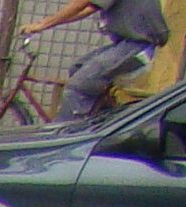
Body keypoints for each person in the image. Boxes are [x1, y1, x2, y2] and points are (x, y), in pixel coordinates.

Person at [24, 0, 175, 119]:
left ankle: (66, 138)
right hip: (127, 44)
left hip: (140, 46)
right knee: (77, 68)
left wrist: (42, 24)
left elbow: (80, 4)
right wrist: (46, 25)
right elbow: (88, 8)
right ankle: (99, 121)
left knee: (79, 85)